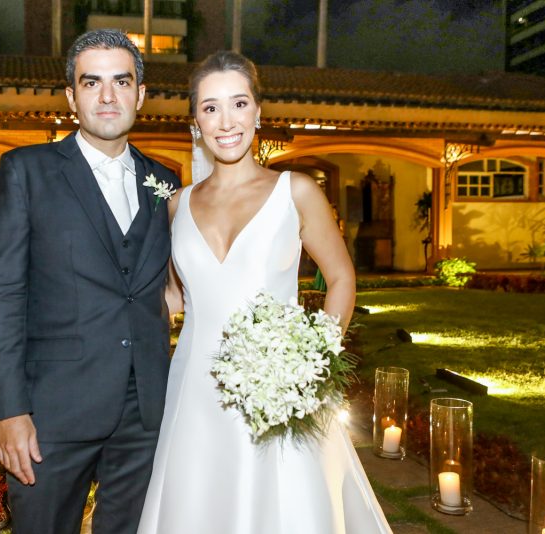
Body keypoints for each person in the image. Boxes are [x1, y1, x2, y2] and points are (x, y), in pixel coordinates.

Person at [138, 51, 391, 534]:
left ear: (257, 111)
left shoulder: (296, 191)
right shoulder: (176, 205)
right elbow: (173, 298)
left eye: (238, 103)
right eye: (210, 108)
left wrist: (310, 363)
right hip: (195, 389)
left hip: (278, 387)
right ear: (195, 121)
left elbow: (341, 278)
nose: (226, 121)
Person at [0, 29, 180, 534]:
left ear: (141, 94)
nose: (108, 96)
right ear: (71, 97)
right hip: (52, 410)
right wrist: (10, 411)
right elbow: (3, 295)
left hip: (146, 412)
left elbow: (169, 285)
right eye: (92, 83)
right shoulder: (26, 171)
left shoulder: (165, 183)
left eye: (121, 81)